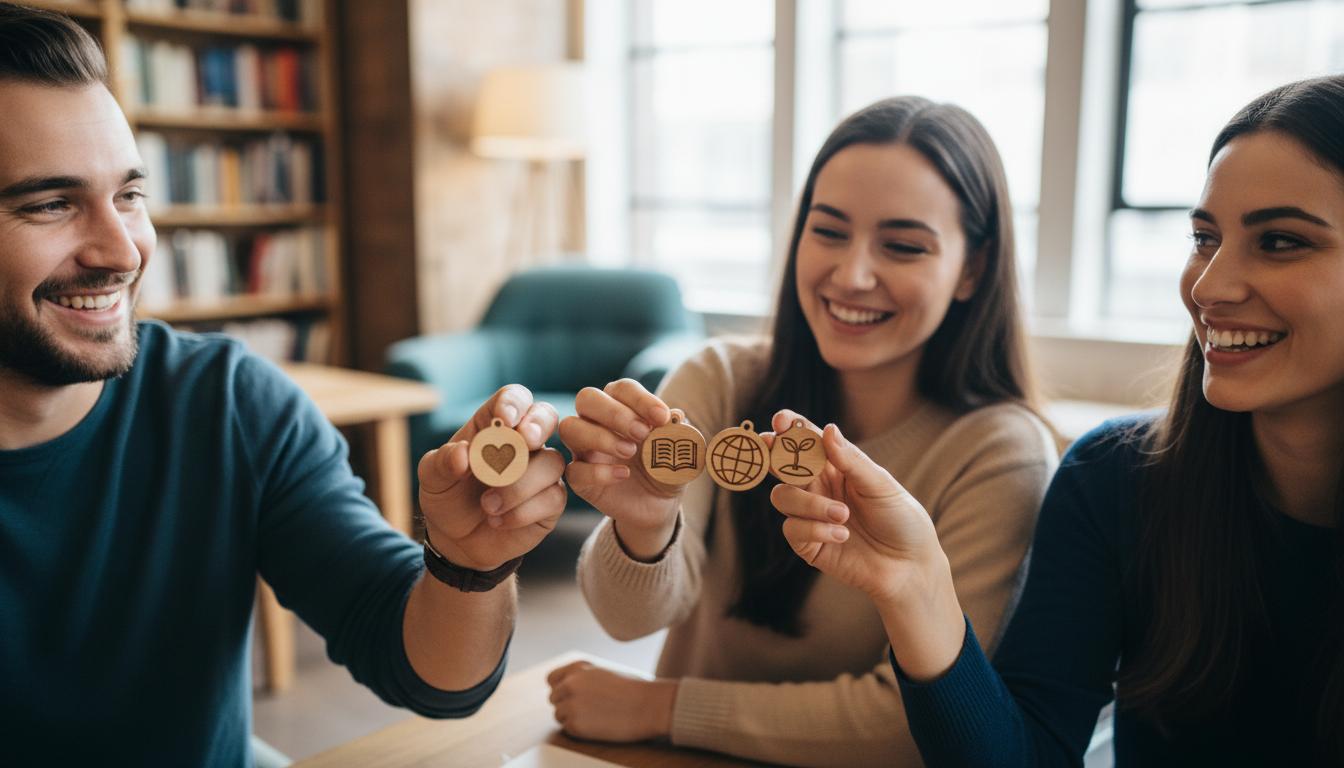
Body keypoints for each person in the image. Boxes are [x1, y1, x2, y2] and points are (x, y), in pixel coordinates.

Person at [0, 6, 567, 765]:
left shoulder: (228, 403)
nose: (122, 249)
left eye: (130, 194)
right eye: (50, 203)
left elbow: (430, 675)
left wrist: (468, 566)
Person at [771, 75, 1344, 767]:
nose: (1210, 286)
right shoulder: (1117, 479)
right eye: (1204, 237)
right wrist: (917, 587)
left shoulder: (1007, 448)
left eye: (1281, 241)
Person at [547, 96, 1059, 766]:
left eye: (902, 246)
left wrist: (662, 707)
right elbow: (627, 618)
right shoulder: (719, 379)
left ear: (974, 269)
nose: (851, 275)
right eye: (828, 231)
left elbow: (915, 721)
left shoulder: (1002, 454)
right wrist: (643, 528)